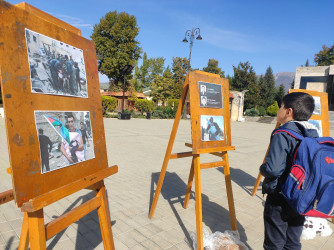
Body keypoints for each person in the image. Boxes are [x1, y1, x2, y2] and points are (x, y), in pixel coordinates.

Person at [260, 92, 318, 250]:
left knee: (274, 243)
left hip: (280, 197)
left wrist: (262, 168)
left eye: (281, 107)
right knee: (293, 241)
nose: (279, 110)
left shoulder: (283, 134)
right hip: (302, 197)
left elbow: (273, 169)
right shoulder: (313, 134)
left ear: (288, 111)